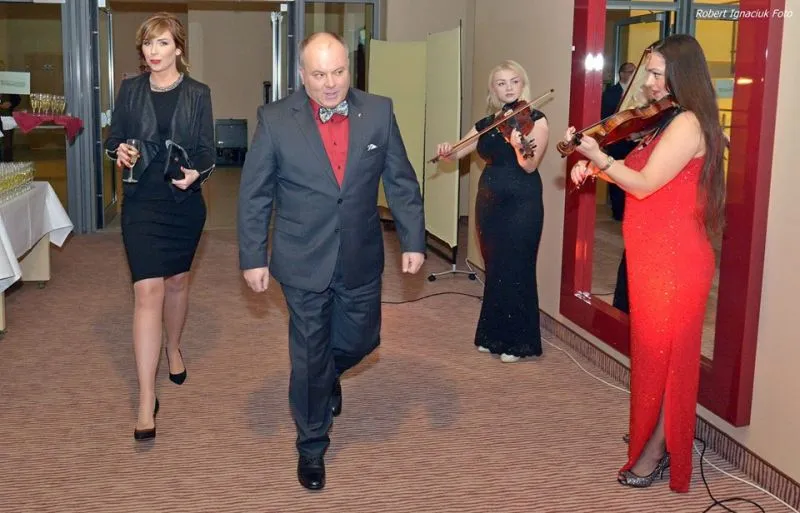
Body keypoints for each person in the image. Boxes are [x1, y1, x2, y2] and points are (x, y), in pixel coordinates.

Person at [237, 32, 426, 491]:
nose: (330, 83)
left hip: (360, 252)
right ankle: (311, 445)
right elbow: (255, 194)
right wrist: (253, 256)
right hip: (302, 256)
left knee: (361, 340)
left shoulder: (378, 111)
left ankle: (326, 375)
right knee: (308, 353)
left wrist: (413, 241)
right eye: (319, 74)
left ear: (349, 69)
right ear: (302, 75)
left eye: (338, 72)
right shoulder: (275, 119)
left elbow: (400, 181)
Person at [564, 34, 725, 493]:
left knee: (669, 357)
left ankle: (660, 446)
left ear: (681, 74)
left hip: (676, 260)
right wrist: (595, 168)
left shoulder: (688, 123)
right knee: (653, 353)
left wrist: (597, 155)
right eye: (648, 72)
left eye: (656, 73)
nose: (648, 83)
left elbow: (646, 183)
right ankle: (655, 429)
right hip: (652, 256)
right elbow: (638, 172)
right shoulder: (664, 120)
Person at [104, 12, 215, 441]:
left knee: (177, 283)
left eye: (162, 43)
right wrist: (119, 151)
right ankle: (146, 397)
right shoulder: (130, 90)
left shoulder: (198, 93)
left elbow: (206, 150)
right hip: (141, 202)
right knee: (147, 290)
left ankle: (174, 346)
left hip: (183, 204)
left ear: (178, 49)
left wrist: (197, 174)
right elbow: (113, 138)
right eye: (148, 43)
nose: (153, 51)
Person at [436, 60, 549, 363]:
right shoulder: (486, 123)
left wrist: (517, 143)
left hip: (522, 203)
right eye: (501, 83)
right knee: (495, 268)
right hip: (489, 203)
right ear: (493, 90)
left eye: (514, 81)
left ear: (523, 84)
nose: (508, 88)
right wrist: (447, 150)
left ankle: (519, 342)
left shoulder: (536, 120)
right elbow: (458, 152)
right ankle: (492, 335)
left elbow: (529, 165)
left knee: (517, 268)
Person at [601, 62, 637, 313]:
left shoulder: (682, 123)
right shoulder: (611, 93)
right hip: (617, 144)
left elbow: (645, 180)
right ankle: (618, 210)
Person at [0, 92, 22, 162]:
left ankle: (8, 164)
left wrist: (11, 103)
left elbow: (17, 98)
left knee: (7, 144)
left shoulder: (8, 86)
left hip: (7, 117)